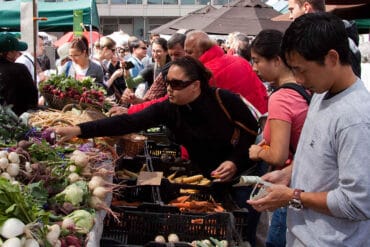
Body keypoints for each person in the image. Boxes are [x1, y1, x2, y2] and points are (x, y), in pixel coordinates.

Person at [247, 12, 370, 246]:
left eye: (302, 70)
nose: (299, 80)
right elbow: (318, 156)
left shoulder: (356, 119)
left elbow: (357, 203)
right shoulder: (321, 94)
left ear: (332, 58)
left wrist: (293, 196)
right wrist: (288, 174)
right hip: (302, 235)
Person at [53, 55, 258, 184]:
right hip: (204, 175)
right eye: (168, 82)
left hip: (241, 176)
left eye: (177, 84)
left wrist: (234, 162)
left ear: (195, 85)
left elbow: (251, 133)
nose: (169, 88)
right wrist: (78, 130)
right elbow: (127, 122)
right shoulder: (169, 107)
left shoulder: (225, 99)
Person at [248, 29, 310, 247]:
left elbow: (278, 155)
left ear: (276, 60)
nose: (254, 68)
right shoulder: (305, 88)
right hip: (305, 180)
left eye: (256, 61)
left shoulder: (281, 97)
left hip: (290, 184)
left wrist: (257, 151)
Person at [185, 30, 268, 114]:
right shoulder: (240, 60)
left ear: (203, 50)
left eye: (189, 52)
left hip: (241, 121)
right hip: (261, 114)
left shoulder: (205, 73)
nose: (185, 56)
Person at [287, 0, 361, 77]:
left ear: (306, 7)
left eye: (292, 10)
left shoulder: (336, 40)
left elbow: (347, 83)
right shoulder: (316, 39)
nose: (290, 16)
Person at [0, 33, 38, 115]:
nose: (19, 53)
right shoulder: (19, 69)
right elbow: (33, 97)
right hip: (16, 120)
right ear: (9, 53)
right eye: (17, 50)